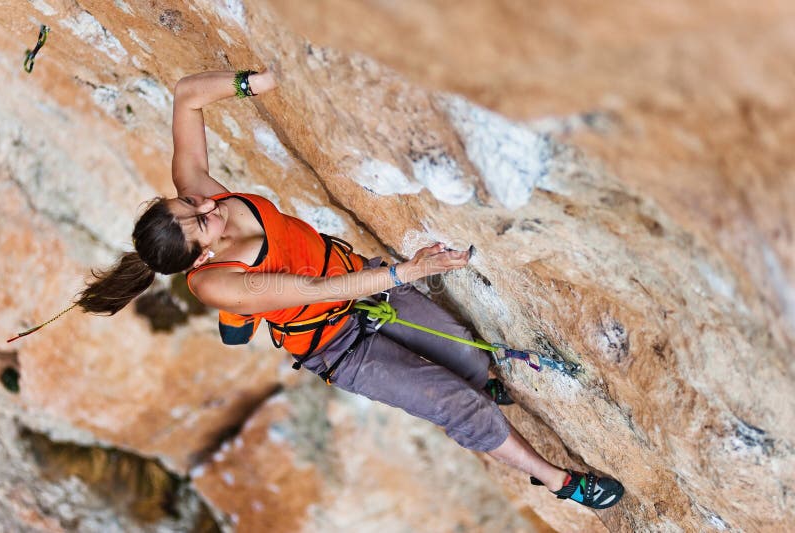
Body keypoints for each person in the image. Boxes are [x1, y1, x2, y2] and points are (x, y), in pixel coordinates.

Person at [76, 70, 624, 510]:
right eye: (200, 220)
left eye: (189, 204)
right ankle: (558, 482)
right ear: (200, 257)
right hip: (335, 343)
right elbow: (314, 288)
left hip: (355, 286)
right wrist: (403, 274)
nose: (207, 205)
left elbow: (186, 97)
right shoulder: (218, 282)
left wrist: (253, 82)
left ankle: (485, 382)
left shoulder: (201, 198)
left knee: (462, 350)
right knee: (457, 404)